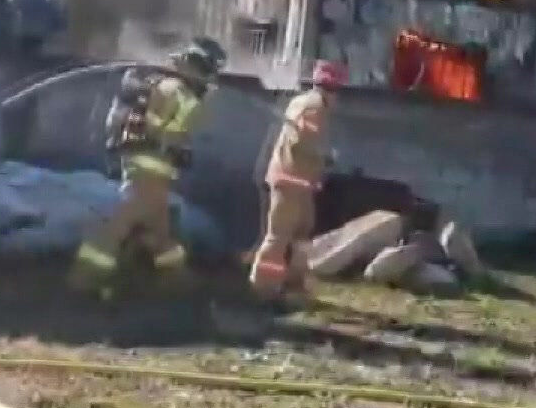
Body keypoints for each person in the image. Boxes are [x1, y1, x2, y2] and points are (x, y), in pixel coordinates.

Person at [67, 36, 227, 298]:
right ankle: (86, 275)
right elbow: (166, 130)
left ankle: (174, 276)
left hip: (151, 163)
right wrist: (178, 143)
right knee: (126, 218)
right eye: (208, 72)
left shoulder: (170, 87)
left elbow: (168, 129)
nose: (209, 79)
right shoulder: (178, 92)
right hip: (148, 164)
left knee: (160, 224)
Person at [249, 59, 345, 303]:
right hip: (290, 180)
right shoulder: (314, 107)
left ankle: (294, 285)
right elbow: (303, 142)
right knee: (278, 237)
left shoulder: (302, 101)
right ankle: (261, 290)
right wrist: (326, 156)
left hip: (301, 183)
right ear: (332, 89)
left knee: (302, 234)